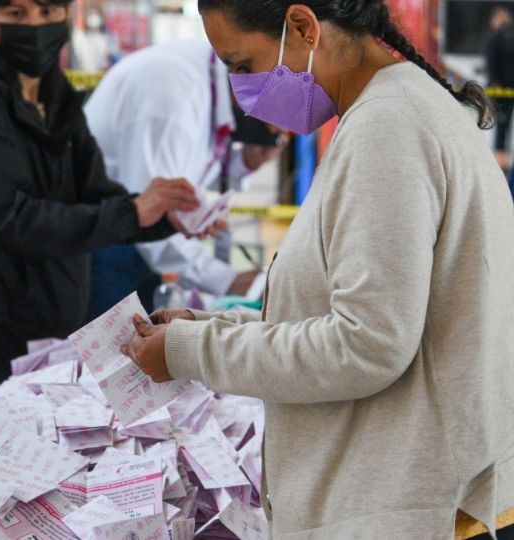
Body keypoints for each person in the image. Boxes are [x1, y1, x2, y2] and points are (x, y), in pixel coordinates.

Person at [123, 1, 514, 538]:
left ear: (303, 28)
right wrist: (205, 329)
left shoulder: (388, 126)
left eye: (242, 64)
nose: (242, 89)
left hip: (405, 506)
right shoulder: (394, 111)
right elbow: (353, 312)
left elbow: (367, 343)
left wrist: (189, 351)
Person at [0, 0, 209, 398]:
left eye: (48, 12)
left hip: (48, 339)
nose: (36, 26)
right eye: (17, 14)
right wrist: (132, 212)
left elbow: (93, 193)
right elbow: (14, 220)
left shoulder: (57, 96)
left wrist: (163, 217)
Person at [83, 38, 286, 320]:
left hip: (138, 243)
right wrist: (226, 280)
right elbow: (149, 213)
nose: (280, 128)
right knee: (111, 357)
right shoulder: (173, 97)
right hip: (108, 243)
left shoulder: (216, 85)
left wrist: (245, 164)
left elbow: (189, 187)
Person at [486, 6, 514, 169]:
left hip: (506, 89)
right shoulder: (495, 38)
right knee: (502, 123)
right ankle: (499, 155)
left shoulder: (506, 38)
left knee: (504, 123)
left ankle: (501, 154)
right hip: (501, 90)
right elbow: (492, 65)